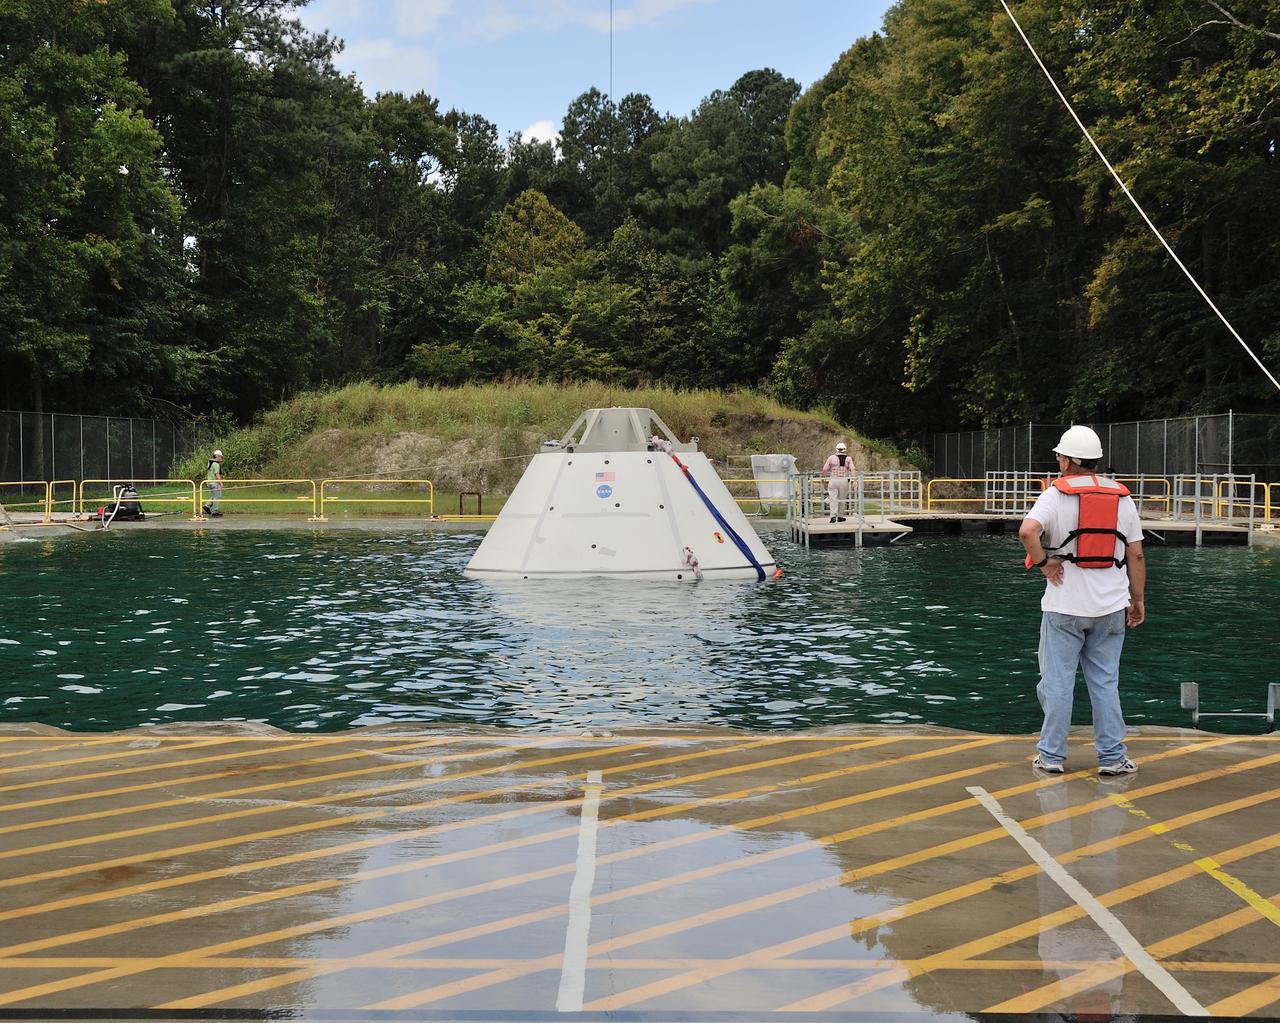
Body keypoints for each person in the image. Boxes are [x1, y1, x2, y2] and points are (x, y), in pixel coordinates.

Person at [1018, 425, 1145, 776]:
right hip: (1110, 608)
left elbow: (1028, 531)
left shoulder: (1056, 496)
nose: (1057, 460)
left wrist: (1044, 564)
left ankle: (1052, 756)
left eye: (1059, 455)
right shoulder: (1122, 498)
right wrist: (1137, 600)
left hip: (1064, 606)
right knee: (1105, 684)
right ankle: (1113, 758)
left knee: (1058, 684)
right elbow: (1135, 555)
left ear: (1071, 460)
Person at [821, 442, 856, 523]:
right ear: (845, 449)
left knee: (833, 498)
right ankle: (840, 516)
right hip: (844, 480)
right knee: (842, 499)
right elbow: (852, 469)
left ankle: (833, 516)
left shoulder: (831, 458)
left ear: (836, 449)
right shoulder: (848, 458)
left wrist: (822, 478)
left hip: (833, 479)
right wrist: (854, 480)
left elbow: (825, 469)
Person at [203, 449, 224, 517]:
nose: (221, 458)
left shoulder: (210, 463)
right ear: (217, 456)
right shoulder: (216, 464)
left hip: (209, 482)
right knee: (217, 497)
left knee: (214, 495)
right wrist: (221, 483)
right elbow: (217, 475)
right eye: (220, 456)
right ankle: (215, 512)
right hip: (214, 483)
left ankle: (207, 506)